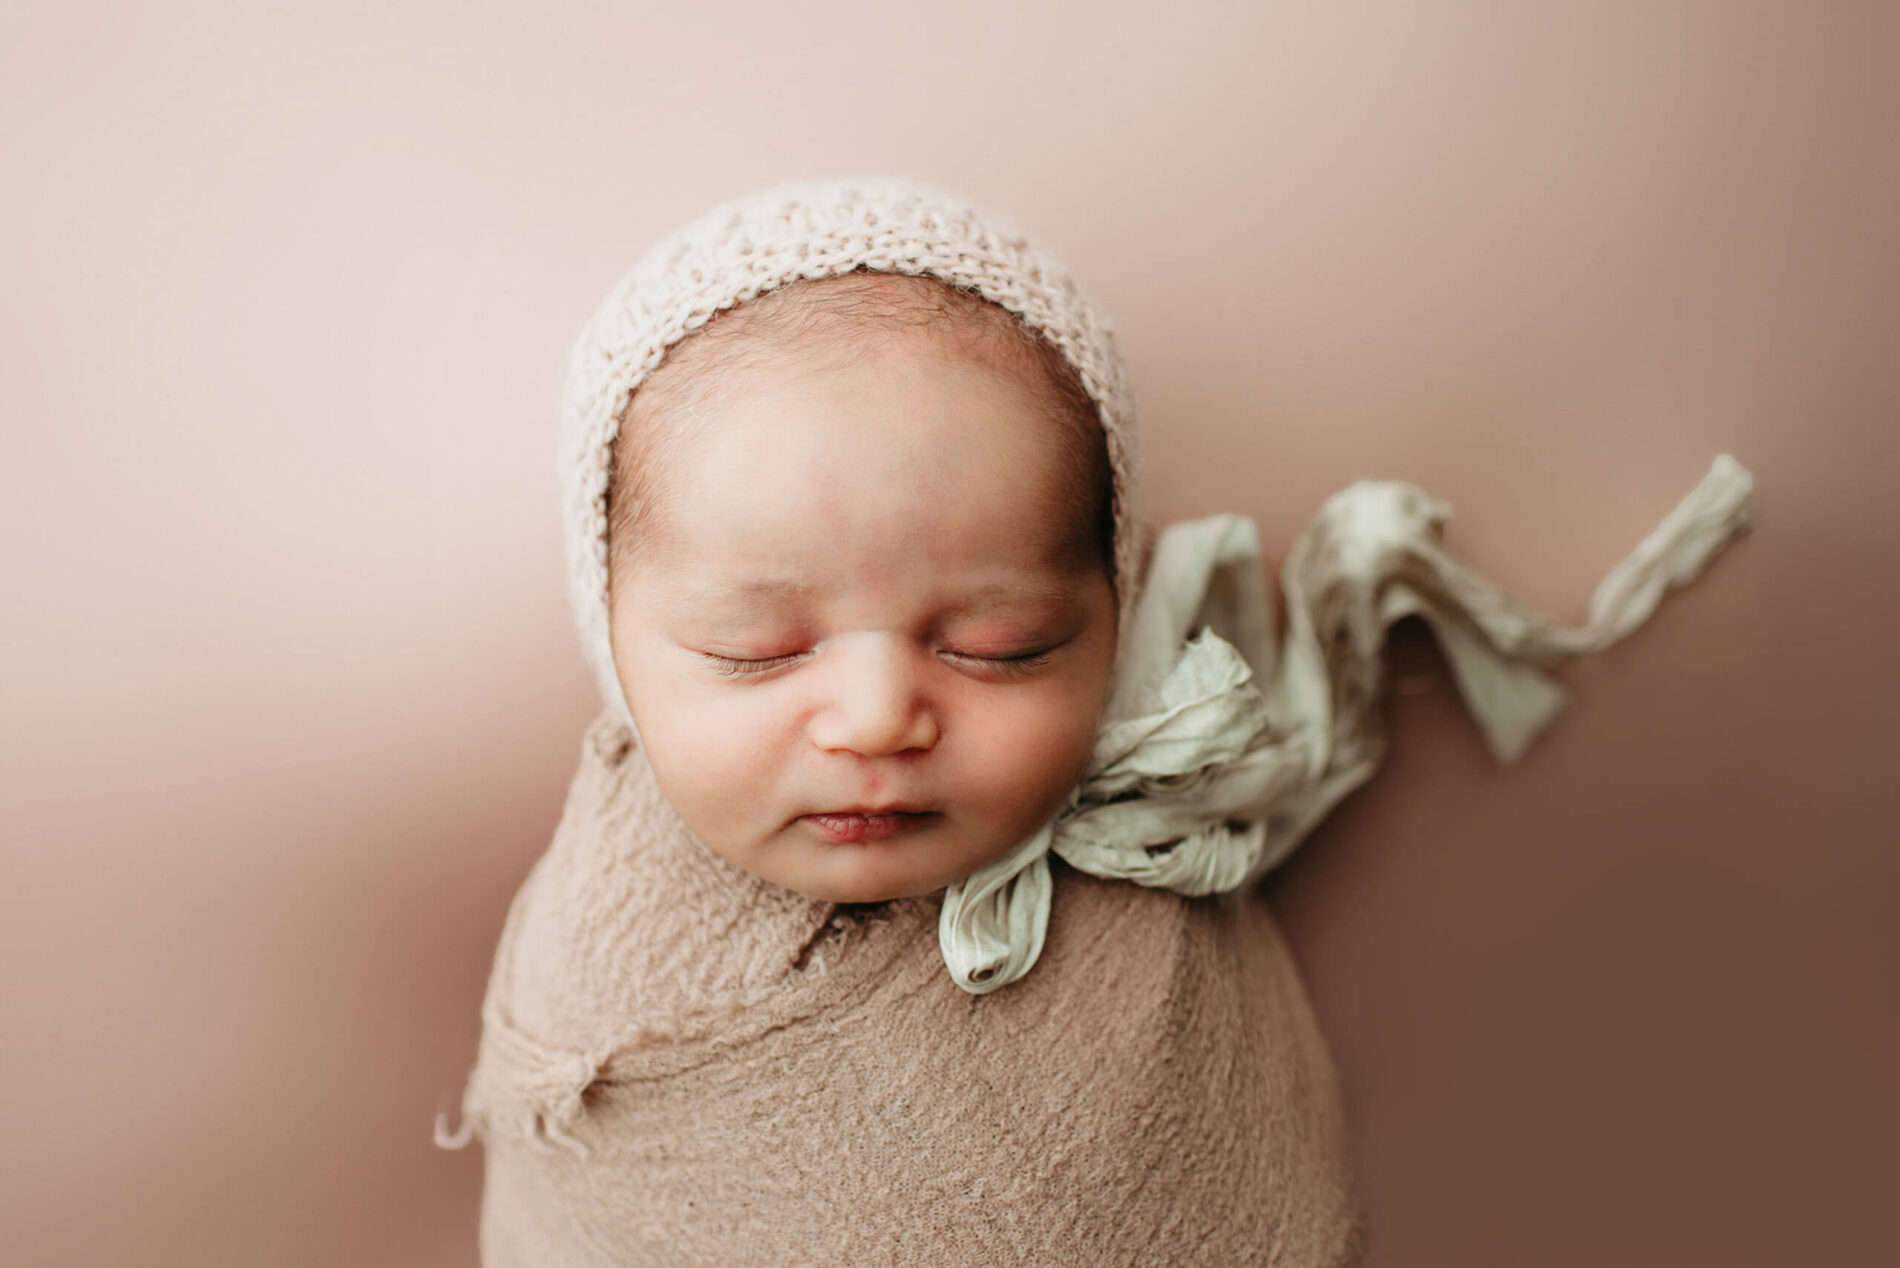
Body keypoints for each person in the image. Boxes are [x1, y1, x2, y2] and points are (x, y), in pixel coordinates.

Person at [435, 176, 1752, 1266]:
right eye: (757, 651)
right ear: (616, 643)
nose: (878, 718)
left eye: (996, 646)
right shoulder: (598, 991)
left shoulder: (1156, 867)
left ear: (1112, 616)